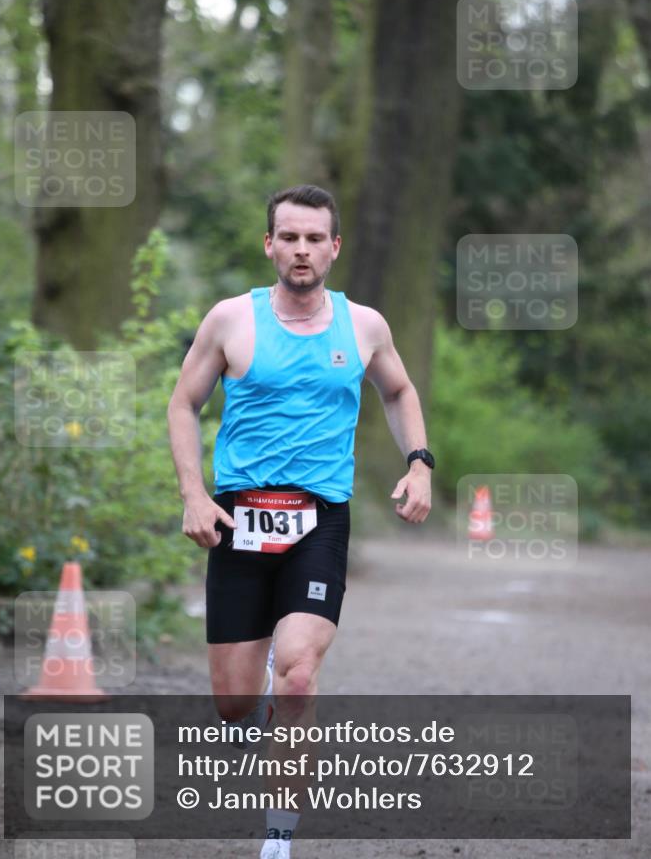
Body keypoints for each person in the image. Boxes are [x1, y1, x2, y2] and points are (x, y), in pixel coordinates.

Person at [167, 184, 434, 858]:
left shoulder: (364, 326)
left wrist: (420, 461)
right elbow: (182, 404)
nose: (301, 249)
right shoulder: (230, 320)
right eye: (288, 236)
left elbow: (397, 389)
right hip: (238, 521)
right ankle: (245, 697)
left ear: (334, 247)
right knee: (232, 704)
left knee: (297, 672)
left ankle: (278, 840)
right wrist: (194, 496)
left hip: (320, 522)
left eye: (314, 238)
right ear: (269, 245)